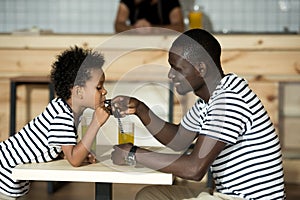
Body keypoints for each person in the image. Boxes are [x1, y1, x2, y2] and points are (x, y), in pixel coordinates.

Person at [110, 29, 285, 199]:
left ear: (201, 68)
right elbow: (178, 140)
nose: (171, 75)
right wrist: (140, 109)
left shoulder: (229, 100)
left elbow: (194, 169)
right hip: (226, 195)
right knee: (149, 195)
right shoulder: (209, 101)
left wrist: (133, 153)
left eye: (177, 69)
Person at [0, 46, 111, 198]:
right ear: (78, 91)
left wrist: (81, 152)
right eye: (99, 87)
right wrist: (95, 123)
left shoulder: (64, 108)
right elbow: (73, 159)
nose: (104, 91)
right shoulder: (62, 116)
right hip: (3, 176)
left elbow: (60, 148)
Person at [114, 0, 184, 33]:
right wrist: (134, 28)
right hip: (136, 45)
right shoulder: (128, 1)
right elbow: (118, 25)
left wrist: (153, 28)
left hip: (163, 46)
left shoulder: (171, 1)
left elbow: (179, 27)